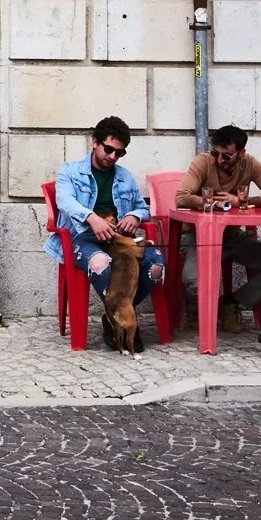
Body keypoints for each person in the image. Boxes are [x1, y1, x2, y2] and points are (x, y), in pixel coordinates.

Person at [44, 115, 166, 348]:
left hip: (119, 239)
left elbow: (143, 208)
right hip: (82, 237)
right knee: (100, 263)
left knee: (157, 266)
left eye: (119, 153)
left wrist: (134, 216)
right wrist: (92, 218)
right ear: (95, 142)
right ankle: (122, 321)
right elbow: (64, 201)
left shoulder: (125, 177)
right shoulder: (70, 172)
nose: (112, 157)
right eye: (108, 149)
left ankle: (115, 317)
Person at [175, 124, 261, 334]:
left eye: (227, 156)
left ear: (241, 153)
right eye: (217, 154)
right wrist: (215, 202)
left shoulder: (249, 163)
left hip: (232, 236)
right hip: (199, 235)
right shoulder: (203, 161)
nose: (220, 160)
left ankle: (231, 303)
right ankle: (199, 309)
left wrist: (243, 201)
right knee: (194, 281)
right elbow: (181, 197)